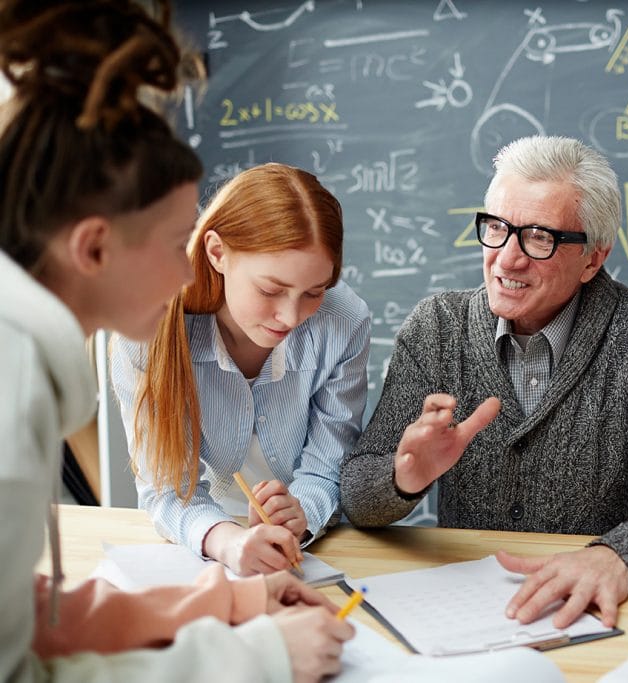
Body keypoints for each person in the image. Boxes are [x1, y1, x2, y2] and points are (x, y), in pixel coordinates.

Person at [0, 2, 351, 681]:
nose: (189, 272)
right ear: (94, 247)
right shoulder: (10, 399)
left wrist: (224, 600)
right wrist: (258, 657)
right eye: (174, 244)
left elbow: (27, 614)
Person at [340, 135, 628, 629]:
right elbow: (357, 493)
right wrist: (403, 477)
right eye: (497, 228)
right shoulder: (436, 328)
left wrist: (616, 557)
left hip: (587, 607)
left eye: (539, 238)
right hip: (464, 610)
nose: (506, 259)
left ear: (593, 257)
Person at [110, 163, 371, 577]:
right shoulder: (148, 329)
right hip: (200, 544)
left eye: (314, 292)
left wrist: (299, 513)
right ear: (217, 253)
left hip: (310, 544)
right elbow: (166, 489)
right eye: (270, 290)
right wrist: (227, 542)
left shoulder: (345, 321)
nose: (289, 316)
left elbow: (327, 466)